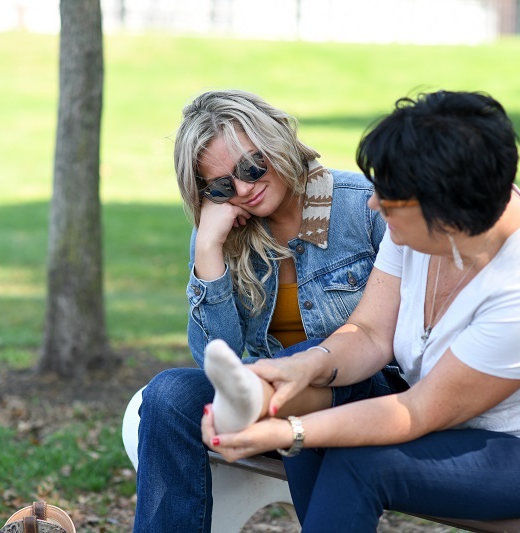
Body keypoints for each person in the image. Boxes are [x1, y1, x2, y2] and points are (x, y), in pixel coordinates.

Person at [200, 90, 520, 531]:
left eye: (388, 199)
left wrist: (289, 432)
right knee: (315, 372)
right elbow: (368, 333)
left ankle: (269, 411)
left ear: (444, 204)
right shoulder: (429, 227)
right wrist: (304, 365)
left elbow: (416, 413)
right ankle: (261, 398)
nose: (372, 204)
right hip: (452, 422)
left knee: (358, 463)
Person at [131, 89, 394, 532]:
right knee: (168, 395)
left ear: (276, 142)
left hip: (365, 390)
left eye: (252, 167)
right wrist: (209, 249)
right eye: (221, 186)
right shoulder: (224, 233)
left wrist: (298, 369)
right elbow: (218, 362)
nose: (245, 190)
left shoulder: (362, 207)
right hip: (264, 396)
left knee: (304, 358)